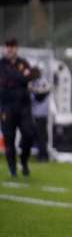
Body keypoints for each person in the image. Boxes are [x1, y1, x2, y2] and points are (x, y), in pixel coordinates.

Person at [0, 38, 38, 178]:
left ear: (17, 48)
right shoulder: (1, 64)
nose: (10, 49)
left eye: (13, 46)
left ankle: (23, 160)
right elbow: (13, 78)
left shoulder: (23, 63)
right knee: (9, 140)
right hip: (7, 107)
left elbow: (32, 76)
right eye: (8, 46)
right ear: (5, 48)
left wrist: (24, 78)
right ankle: (12, 168)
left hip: (23, 107)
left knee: (29, 134)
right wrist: (23, 77)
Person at [29, 70, 51, 162]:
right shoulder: (42, 82)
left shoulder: (39, 83)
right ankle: (43, 154)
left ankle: (43, 155)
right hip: (41, 113)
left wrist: (32, 91)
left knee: (40, 136)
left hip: (39, 113)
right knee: (41, 135)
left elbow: (39, 95)